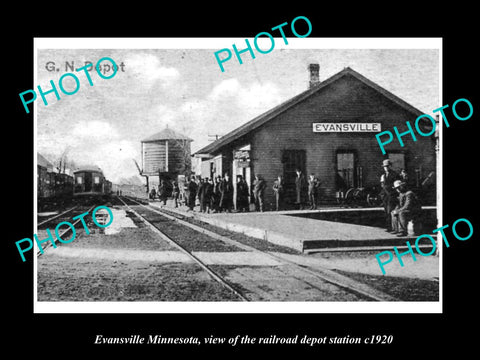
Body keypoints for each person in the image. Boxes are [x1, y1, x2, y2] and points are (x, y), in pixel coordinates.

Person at [380, 159, 401, 232]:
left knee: (391, 210)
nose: (386, 168)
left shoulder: (395, 174)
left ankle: (394, 228)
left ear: (390, 166)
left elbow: (397, 184)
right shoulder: (383, 175)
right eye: (384, 167)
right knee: (386, 211)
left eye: (387, 166)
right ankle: (389, 227)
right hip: (385, 196)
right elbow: (382, 185)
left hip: (392, 195)